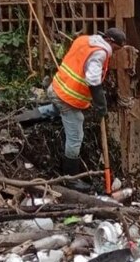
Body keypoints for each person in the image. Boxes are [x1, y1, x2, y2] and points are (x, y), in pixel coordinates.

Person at [49, 27, 127, 192]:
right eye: (116, 48)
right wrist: (100, 103)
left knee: (56, 110)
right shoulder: (100, 53)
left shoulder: (84, 40)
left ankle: (24, 118)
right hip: (67, 98)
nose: (114, 52)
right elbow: (93, 79)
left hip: (56, 88)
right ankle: (70, 179)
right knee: (76, 136)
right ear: (110, 41)